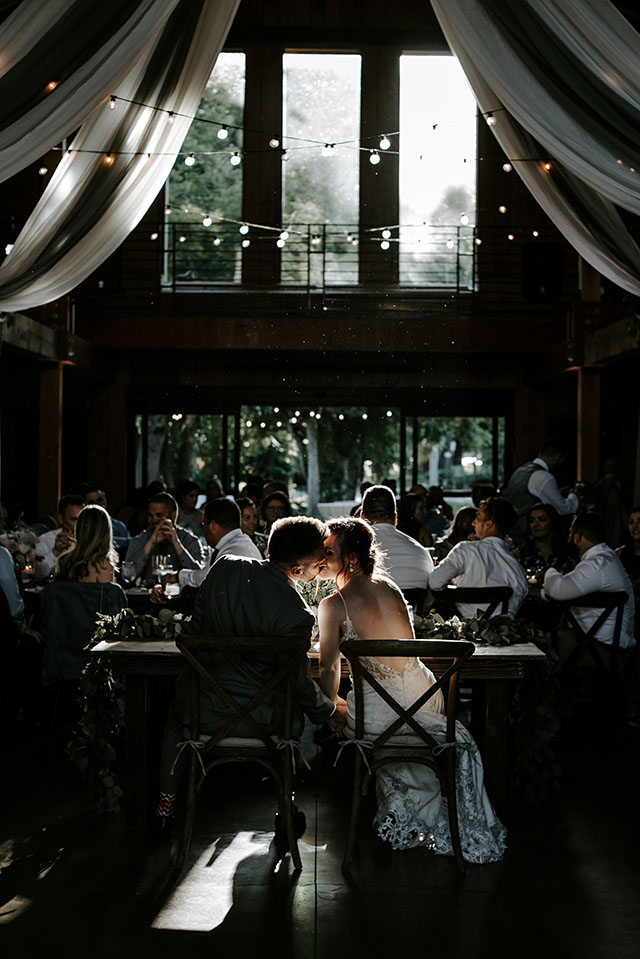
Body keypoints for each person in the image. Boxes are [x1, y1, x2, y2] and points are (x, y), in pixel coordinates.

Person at [317, 517, 506, 862]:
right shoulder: (390, 588)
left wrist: (330, 705)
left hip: (377, 714)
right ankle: (424, 810)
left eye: (328, 552)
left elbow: (329, 666)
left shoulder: (333, 605)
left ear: (352, 559)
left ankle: (407, 813)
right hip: (426, 698)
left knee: (339, 710)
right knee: (401, 723)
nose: (321, 559)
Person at [156, 516, 346, 825]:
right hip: (265, 721)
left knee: (175, 716)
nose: (324, 562)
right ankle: (286, 808)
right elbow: (298, 683)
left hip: (202, 712)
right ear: (298, 571)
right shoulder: (297, 614)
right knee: (292, 716)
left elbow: (196, 634)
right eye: (319, 559)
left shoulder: (224, 568)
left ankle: (165, 804)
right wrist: (329, 713)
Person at [39, 506, 126, 710]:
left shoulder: (66, 562)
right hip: (96, 657)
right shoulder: (105, 567)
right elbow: (113, 621)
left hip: (64, 657)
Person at [543, 512, 635, 651]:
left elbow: (558, 590)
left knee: (535, 646)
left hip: (599, 649)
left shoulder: (598, 564)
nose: (570, 539)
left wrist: (551, 571)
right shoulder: (606, 559)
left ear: (578, 536)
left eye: (570, 534)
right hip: (601, 645)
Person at [429, 497, 528, 619]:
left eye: (477, 518)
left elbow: (435, 582)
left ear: (488, 524)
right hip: (504, 634)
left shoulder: (466, 550)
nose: (473, 523)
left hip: (462, 634)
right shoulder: (518, 570)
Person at [161, 497, 261, 595]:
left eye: (204, 524)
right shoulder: (235, 544)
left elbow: (206, 579)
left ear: (212, 526)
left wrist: (178, 577)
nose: (203, 530)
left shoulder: (233, 551)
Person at [361, 485, 433, 598]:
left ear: (362, 518)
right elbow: (429, 598)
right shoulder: (421, 552)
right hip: (411, 615)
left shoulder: (353, 552)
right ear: (395, 518)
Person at [507, 439, 578, 541]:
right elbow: (563, 509)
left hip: (515, 531)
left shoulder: (520, 471)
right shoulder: (543, 476)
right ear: (556, 457)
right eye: (561, 459)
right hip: (532, 536)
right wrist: (573, 495)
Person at [124, 492, 205, 583]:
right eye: (150, 515)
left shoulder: (189, 540)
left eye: (159, 515)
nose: (154, 520)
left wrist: (176, 543)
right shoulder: (140, 539)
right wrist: (150, 544)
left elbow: (198, 578)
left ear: (174, 516)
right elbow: (128, 575)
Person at [34, 493, 85, 581]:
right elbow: (39, 574)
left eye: (83, 519)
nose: (79, 525)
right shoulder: (46, 540)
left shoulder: (93, 540)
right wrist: (55, 552)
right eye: (74, 519)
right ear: (61, 519)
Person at [517, 502, 574, 581]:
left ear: (552, 522)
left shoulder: (568, 552)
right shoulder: (522, 554)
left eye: (542, 519)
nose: (535, 524)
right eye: (531, 520)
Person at [83, 485, 131, 550]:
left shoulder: (119, 526)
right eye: (92, 502)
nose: (97, 504)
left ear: (105, 501)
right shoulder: (84, 526)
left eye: (99, 500)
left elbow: (130, 546)